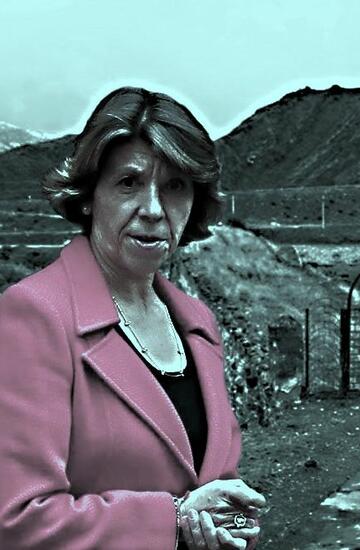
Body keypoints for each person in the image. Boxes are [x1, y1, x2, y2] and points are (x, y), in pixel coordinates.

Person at [0, 87, 267, 549]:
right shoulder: (34, 316)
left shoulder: (198, 323)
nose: (153, 210)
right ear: (89, 195)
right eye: (129, 183)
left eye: (175, 186)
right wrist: (173, 519)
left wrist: (232, 522)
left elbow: (217, 485)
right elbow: (17, 520)